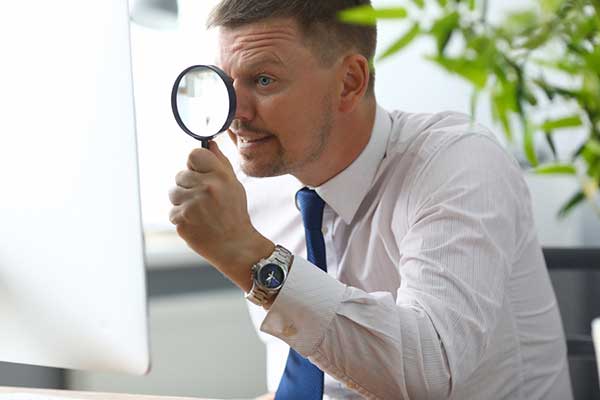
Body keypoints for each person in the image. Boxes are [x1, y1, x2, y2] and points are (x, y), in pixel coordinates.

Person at [168, 0, 573, 398]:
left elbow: (429, 371)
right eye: (224, 81)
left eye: (264, 80)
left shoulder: (458, 164)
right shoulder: (258, 183)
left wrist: (251, 258)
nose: (235, 114)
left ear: (349, 83)